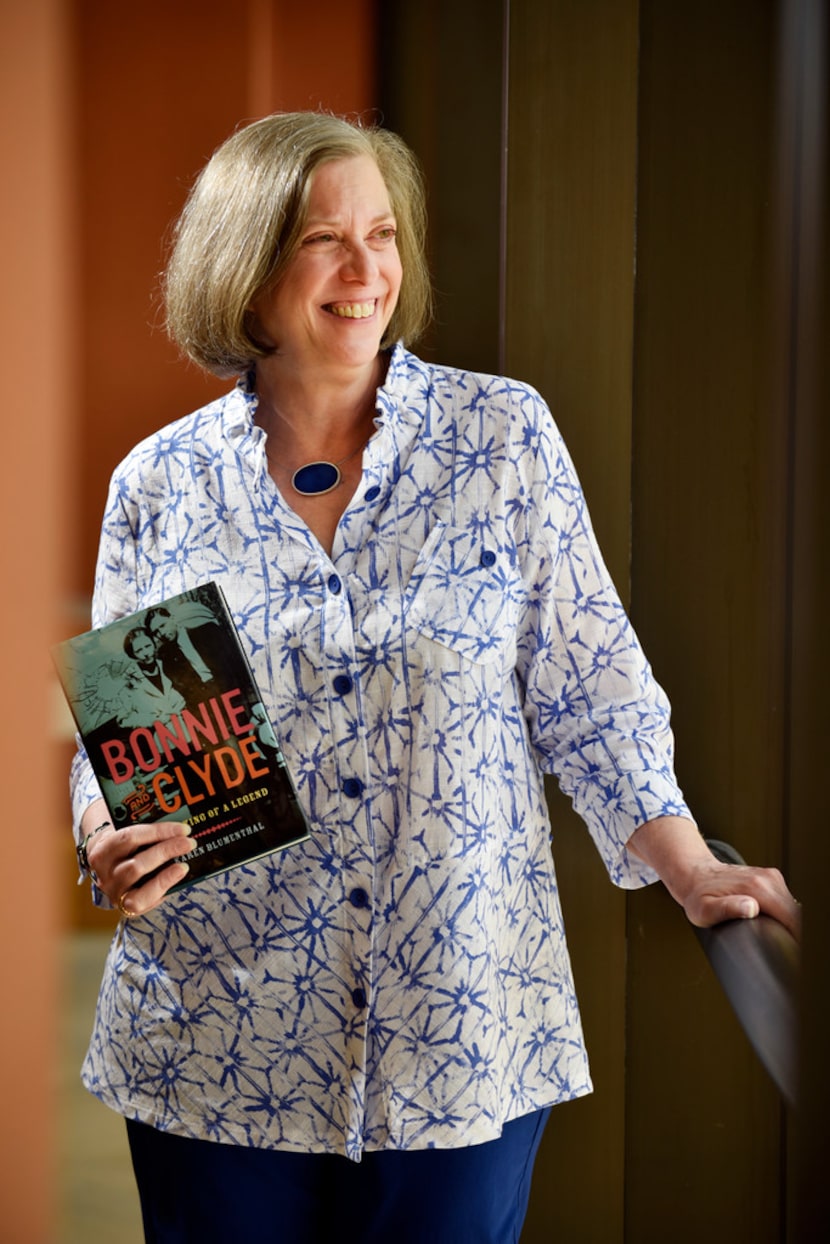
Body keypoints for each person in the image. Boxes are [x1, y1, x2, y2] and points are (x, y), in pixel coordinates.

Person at [71, 111, 800, 1244]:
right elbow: (129, 744)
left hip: (460, 1025)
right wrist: (104, 835)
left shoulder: (501, 438)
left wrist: (690, 863)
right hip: (216, 1038)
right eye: (325, 239)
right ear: (246, 268)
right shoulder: (160, 483)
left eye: (383, 234)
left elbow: (588, 687)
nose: (366, 271)